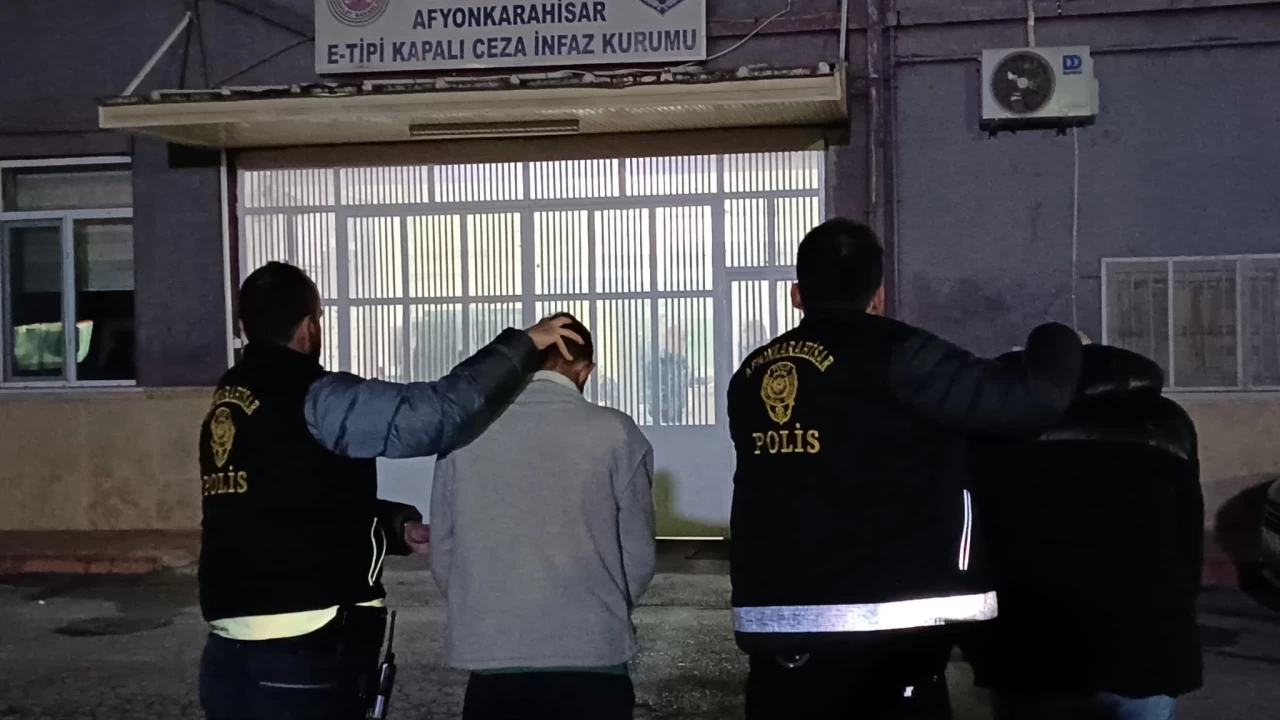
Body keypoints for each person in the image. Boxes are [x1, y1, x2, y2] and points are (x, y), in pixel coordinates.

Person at [728, 218, 1084, 719]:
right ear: (878, 297)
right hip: (890, 631)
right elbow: (1031, 402)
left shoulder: (752, 373)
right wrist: (1059, 340)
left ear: (797, 294)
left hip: (778, 629)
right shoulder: (903, 355)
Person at [198, 262, 581, 720]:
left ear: (246, 326)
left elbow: (280, 501)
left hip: (229, 656)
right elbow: (437, 414)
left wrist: (392, 528)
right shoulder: (314, 396)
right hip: (301, 650)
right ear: (309, 326)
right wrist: (524, 344)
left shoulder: (231, 402)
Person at [431, 313, 657, 720]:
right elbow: (638, 555)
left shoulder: (465, 433)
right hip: (593, 658)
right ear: (584, 371)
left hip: (492, 657)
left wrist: (487, 607)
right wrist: (604, 607)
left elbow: (444, 548)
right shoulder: (617, 433)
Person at [962, 341, 1203, 720]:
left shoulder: (1001, 421)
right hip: (1144, 640)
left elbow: (973, 538)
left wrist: (979, 643)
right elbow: (1188, 535)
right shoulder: (1165, 420)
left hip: (1030, 643)